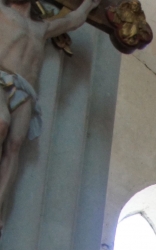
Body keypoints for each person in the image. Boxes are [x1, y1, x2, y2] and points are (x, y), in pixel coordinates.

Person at [0, 0, 99, 228]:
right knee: (1, 123)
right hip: (1, 78)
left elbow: (72, 21)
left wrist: (87, 5)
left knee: (14, 146)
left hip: (25, 91)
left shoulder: (41, 27)